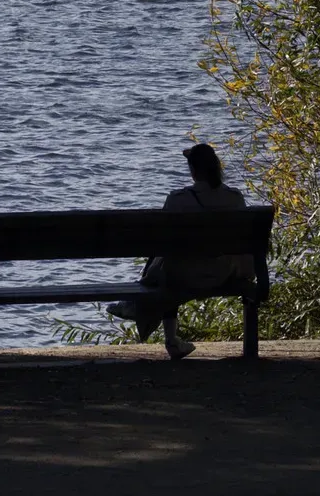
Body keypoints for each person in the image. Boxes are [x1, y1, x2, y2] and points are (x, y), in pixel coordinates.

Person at [108, 142, 254, 360]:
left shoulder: (178, 200)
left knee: (165, 266)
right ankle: (144, 315)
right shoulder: (235, 198)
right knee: (168, 263)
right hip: (226, 273)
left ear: (193, 171)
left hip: (185, 274)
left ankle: (157, 326)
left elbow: (161, 243)